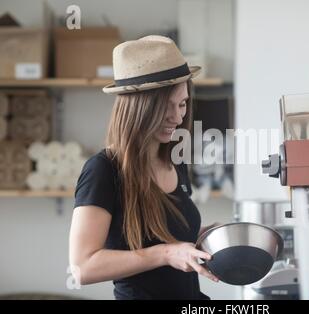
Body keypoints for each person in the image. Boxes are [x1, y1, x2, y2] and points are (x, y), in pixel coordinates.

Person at [69, 35, 219, 300]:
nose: (177, 116)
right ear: (137, 108)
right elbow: (83, 267)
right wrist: (166, 253)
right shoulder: (103, 170)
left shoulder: (174, 160)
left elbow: (160, 235)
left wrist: (202, 236)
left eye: (182, 103)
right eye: (165, 106)